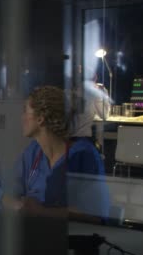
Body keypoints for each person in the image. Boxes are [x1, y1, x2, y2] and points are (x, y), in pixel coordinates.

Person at [13, 85, 110, 222]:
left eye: (25, 111)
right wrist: (20, 205)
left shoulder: (84, 155)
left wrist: (42, 212)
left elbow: (96, 215)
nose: (22, 117)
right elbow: (6, 193)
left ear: (41, 118)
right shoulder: (33, 152)